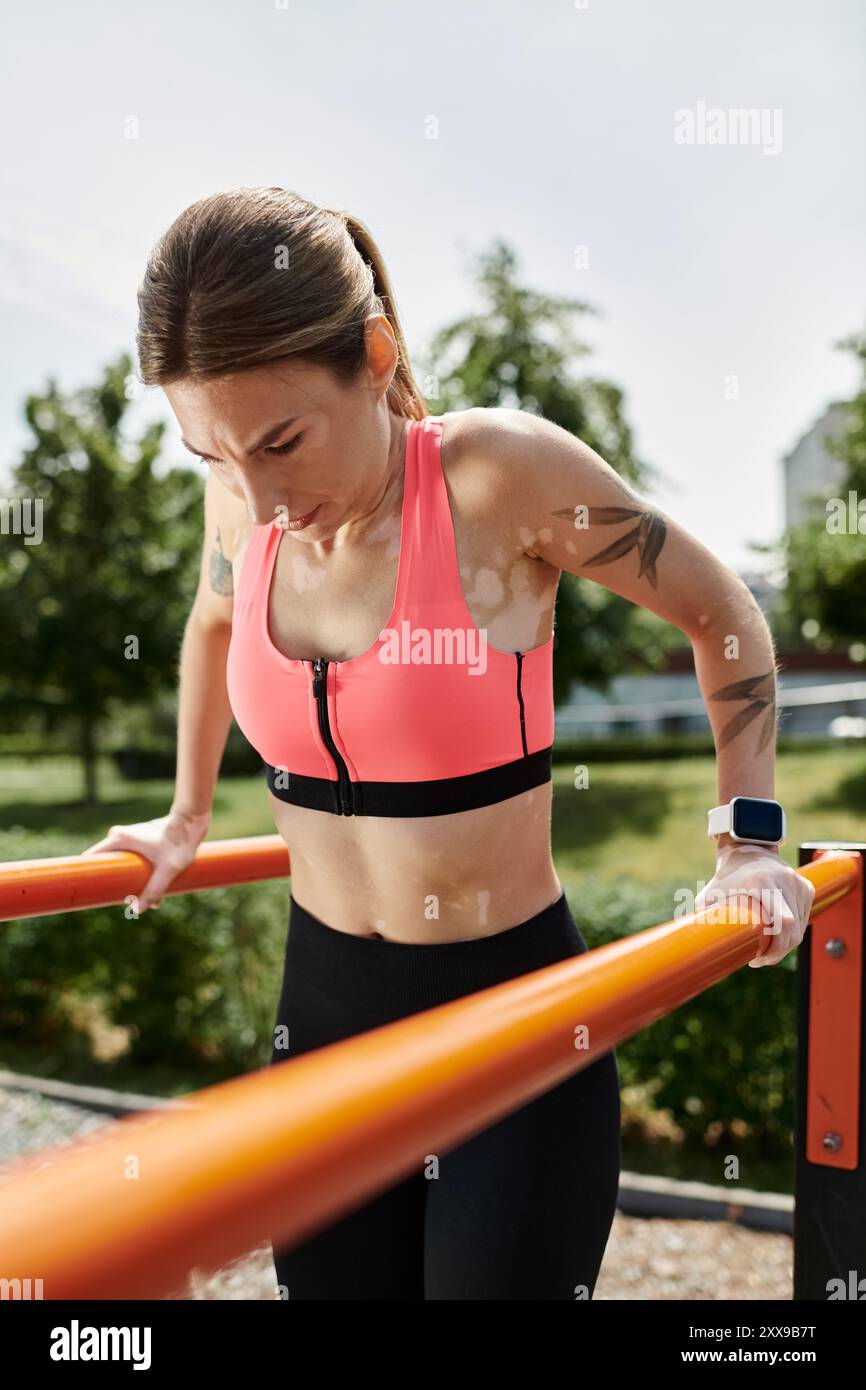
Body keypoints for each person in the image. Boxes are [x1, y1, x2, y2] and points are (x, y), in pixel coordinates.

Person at [82, 186, 814, 1300]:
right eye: (214, 456)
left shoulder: (492, 476)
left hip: (511, 1021)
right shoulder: (241, 497)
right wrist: (184, 817)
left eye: (281, 440)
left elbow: (723, 614)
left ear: (373, 354)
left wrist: (746, 843)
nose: (261, 496)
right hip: (323, 1021)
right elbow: (214, 618)